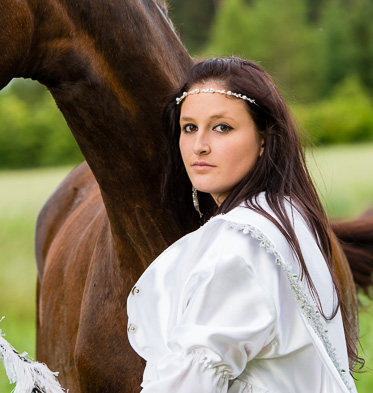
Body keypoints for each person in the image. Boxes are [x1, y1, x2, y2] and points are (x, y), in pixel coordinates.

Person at [127, 57, 360, 393]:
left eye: (222, 127)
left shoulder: (241, 244)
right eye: (189, 127)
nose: (199, 146)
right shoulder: (286, 215)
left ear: (264, 138)